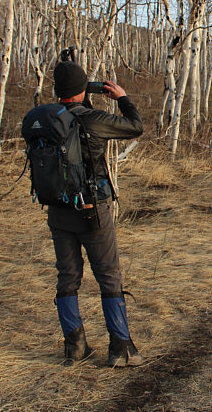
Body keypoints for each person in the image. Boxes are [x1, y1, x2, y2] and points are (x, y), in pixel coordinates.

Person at [48, 57, 144, 367]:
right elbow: (135, 127)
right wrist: (123, 99)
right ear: (81, 89)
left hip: (58, 211)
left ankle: (74, 347)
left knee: (68, 277)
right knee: (109, 276)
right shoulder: (91, 118)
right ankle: (120, 348)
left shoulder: (43, 119)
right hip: (93, 209)